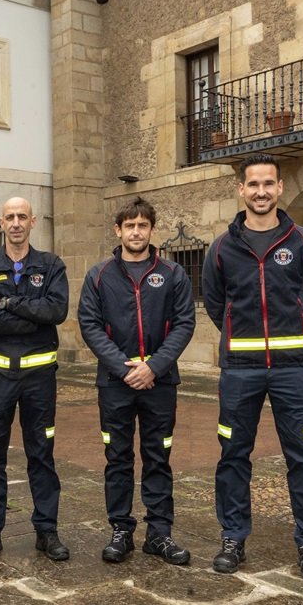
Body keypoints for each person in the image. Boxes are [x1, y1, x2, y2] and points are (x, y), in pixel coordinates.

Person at [201, 153, 303, 582]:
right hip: (240, 370)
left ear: (280, 188)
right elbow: (216, 305)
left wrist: (298, 337)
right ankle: (233, 538)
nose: (260, 192)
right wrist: (240, 339)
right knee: (234, 456)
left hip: (295, 370)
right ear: (241, 190)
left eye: (268, 184)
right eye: (252, 184)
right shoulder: (221, 248)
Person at [78, 196, 196, 565]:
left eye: (142, 225)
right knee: (117, 458)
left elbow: (184, 324)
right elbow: (90, 325)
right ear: (118, 230)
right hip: (115, 384)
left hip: (159, 383)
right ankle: (121, 530)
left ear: (151, 229)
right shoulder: (98, 276)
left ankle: (159, 533)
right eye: (129, 225)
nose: (136, 231)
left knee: (158, 456)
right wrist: (124, 367)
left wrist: (154, 366)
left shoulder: (173, 274)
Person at [0, 197, 70, 564]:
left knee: (41, 454)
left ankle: (47, 530)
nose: (15, 223)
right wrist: (31, 311)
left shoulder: (51, 265)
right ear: (0, 223)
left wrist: (9, 303)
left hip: (39, 378)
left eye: (21, 217)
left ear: (32, 222)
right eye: (9, 217)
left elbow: (57, 311)